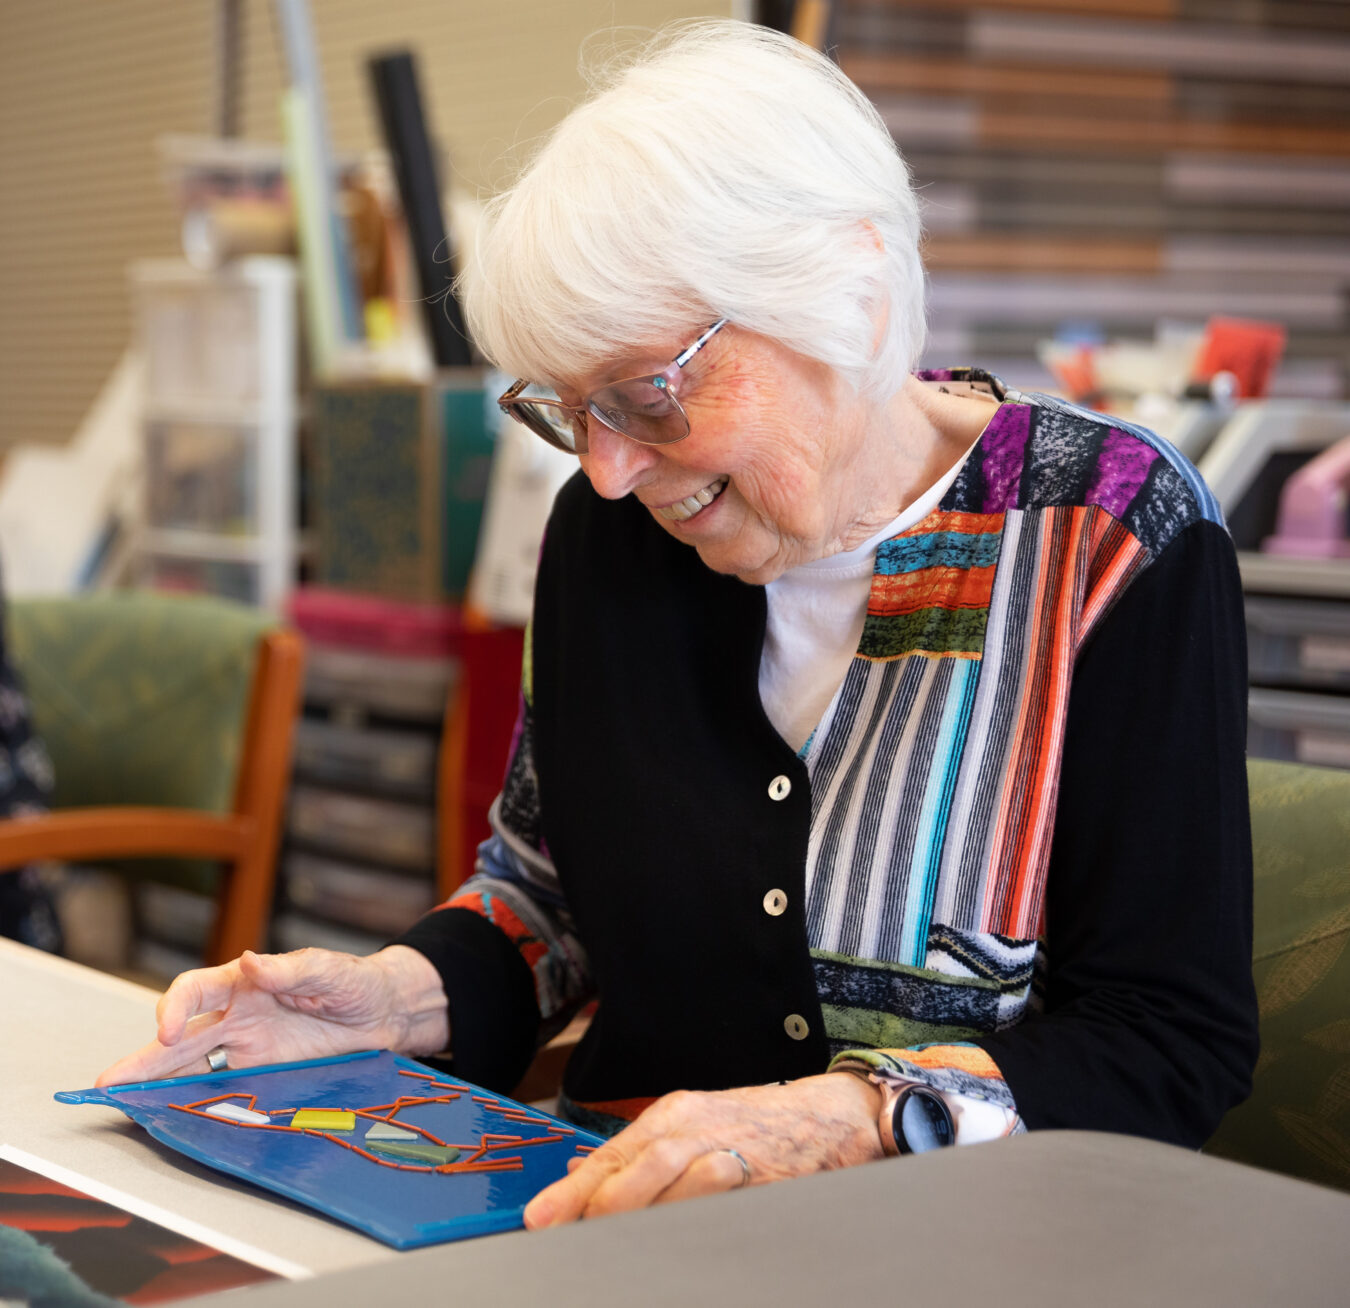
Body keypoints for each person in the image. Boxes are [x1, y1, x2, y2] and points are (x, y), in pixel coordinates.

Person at [100, 20, 1258, 1227]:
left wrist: (852, 1116)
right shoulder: (610, 538)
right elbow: (547, 897)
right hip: (605, 1232)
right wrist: (391, 1001)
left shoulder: (1108, 537)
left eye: (646, 396)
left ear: (851, 298)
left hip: (961, 1253)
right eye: (568, 410)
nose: (606, 473)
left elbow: (1168, 1040)